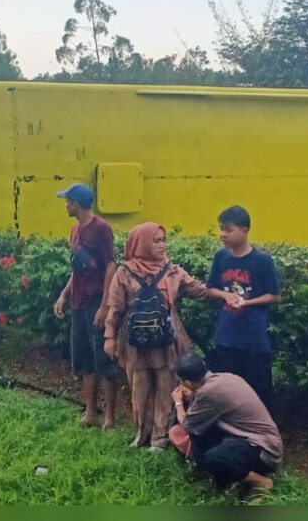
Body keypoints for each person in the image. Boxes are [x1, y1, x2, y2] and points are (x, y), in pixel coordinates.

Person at [103, 222, 239, 451]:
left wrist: (224, 294)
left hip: (167, 341)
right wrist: (109, 336)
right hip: (136, 343)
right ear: (141, 243)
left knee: (167, 389)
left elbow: (198, 289)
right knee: (140, 389)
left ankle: (160, 438)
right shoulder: (124, 272)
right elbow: (114, 307)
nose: (161, 246)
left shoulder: (172, 271)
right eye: (155, 241)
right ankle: (142, 435)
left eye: (163, 240)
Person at [52, 183, 118, 429]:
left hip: (95, 301)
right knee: (83, 357)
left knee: (103, 359)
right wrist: (63, 296)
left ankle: (110, 417)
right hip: (78, 302)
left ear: (76, 204)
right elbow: (77, 270)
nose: (66, 205)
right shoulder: (75, 230)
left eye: (67, 201)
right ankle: (91, 412)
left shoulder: (102, 230)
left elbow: (111, 266)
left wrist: (105, 306)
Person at [171, 352, 283, 499]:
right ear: (204, 365)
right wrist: (193, 397)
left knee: (213, 457)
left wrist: (178, 402)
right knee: (202, 431)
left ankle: (261, 482)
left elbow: (188, 425)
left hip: (263, 450)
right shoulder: (227, 377)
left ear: (187, 383)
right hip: (262, 442)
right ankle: (234, 478)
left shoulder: (207, 392)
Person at [206, 206, 282, 413]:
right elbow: (210, 289)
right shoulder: (220, 257)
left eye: (228, 230)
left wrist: (248, 302)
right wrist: (225, 295)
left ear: (245, 230)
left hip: (253, 338)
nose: (223, 235)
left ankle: (262, 434)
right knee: (225, 388)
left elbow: (274, 295)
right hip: (226, 335)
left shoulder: (262, 261)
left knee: (259, 389)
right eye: (221, 229)